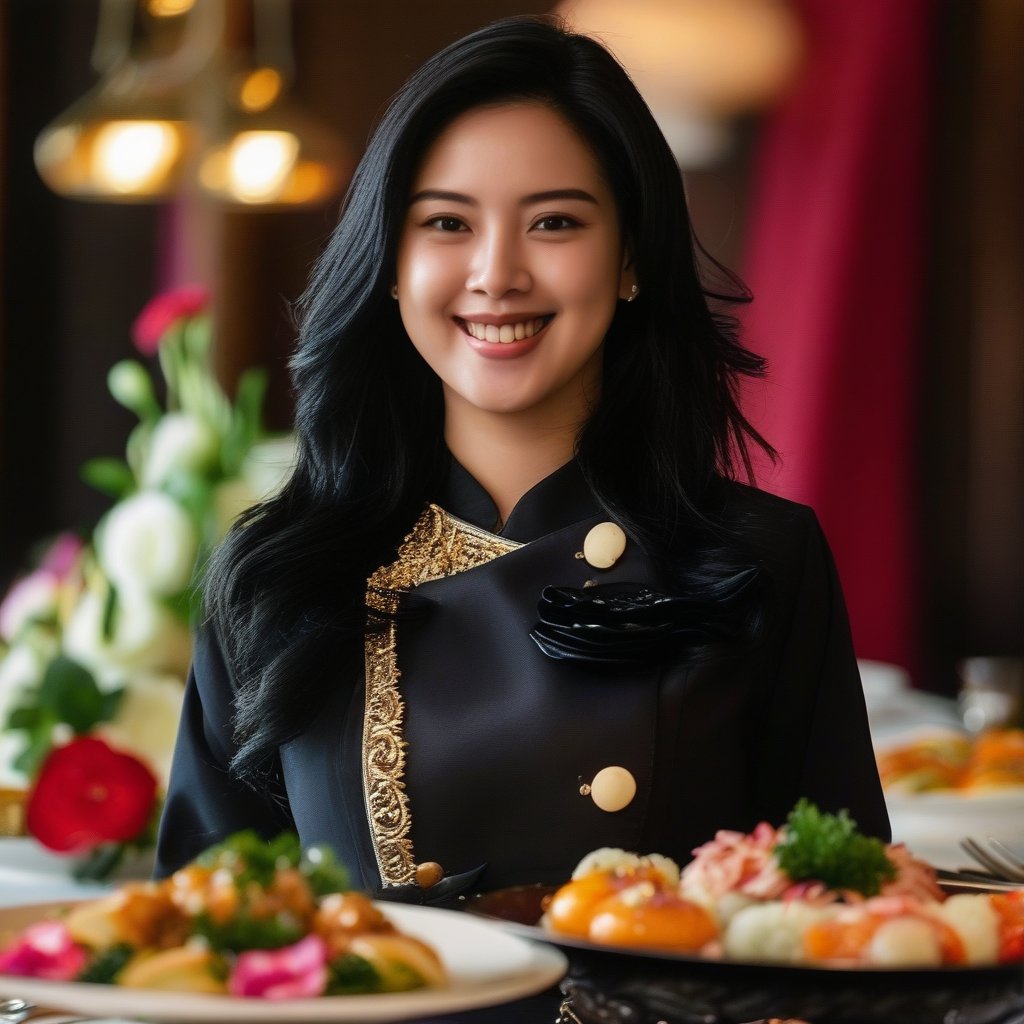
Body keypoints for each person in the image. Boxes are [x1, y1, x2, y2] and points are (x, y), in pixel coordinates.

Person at [156, 15, 888, 909]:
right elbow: (195, 944)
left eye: (553, 221)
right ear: (390, 263)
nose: (497, 273)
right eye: (447, 223)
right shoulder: (276, 573)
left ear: (628, 259)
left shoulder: (762, 561)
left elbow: (845, 926)